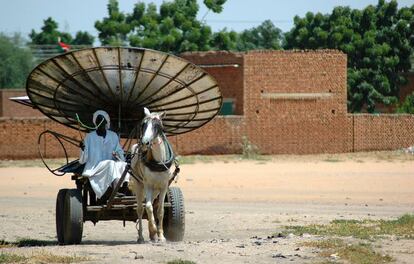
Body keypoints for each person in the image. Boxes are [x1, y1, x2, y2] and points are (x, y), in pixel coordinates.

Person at [79, 110, 129, 199]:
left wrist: (117, 154)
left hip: (111, 166)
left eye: (103, 121)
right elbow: (83, 160)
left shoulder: (113, 136)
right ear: (96, 123)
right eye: (98, 121)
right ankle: (113, 191)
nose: (101, 124)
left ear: (106, 122)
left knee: (124, 165)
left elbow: (119, 151)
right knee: (110, 163)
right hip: (95, 167)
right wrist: (83, 149)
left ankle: (124, 190)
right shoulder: (89, 137)